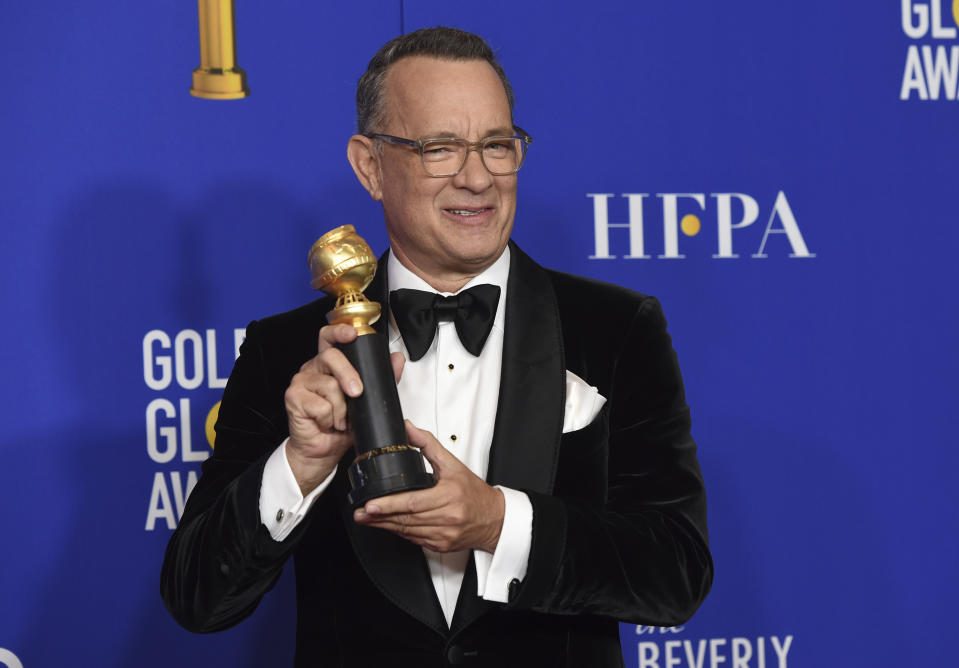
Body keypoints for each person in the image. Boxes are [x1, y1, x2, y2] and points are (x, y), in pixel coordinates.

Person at [161, 26, 712, 667]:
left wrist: (497, 522)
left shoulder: (616, 328)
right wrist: (301, 462)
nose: (477, 178)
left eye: (497, 146)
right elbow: (197, 600)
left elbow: (676, 573)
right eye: (440, 148)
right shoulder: (284, 351)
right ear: (370, 166)